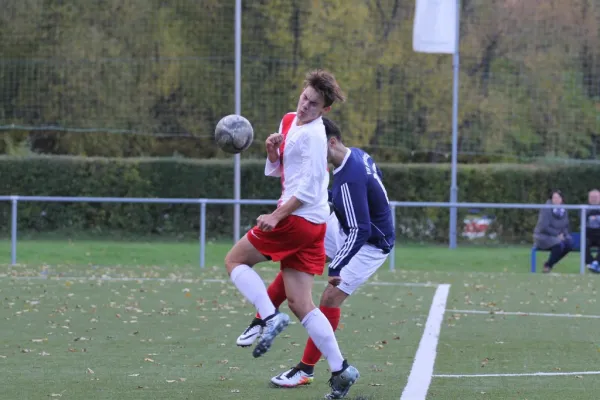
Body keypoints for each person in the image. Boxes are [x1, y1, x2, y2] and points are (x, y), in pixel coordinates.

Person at [224, 70, 359, 399]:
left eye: (314, 105)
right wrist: (273, 153)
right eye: (304, 98)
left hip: (298, 219)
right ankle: (341, 369)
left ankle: (268, 317)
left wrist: (276, 215)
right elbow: (285, 171)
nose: (305, 107)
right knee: (301, 303)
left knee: (235, 260)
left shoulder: (316, 137)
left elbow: (311, 189)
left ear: (325, 111)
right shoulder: (288, 121)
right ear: (301, 92)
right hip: (313, 227)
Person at [236, 117, 395, 393]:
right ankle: (265, 317)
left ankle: (305, 370)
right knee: (298, 261)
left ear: (331, 142)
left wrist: (338, 267)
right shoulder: (353, 156)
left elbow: (361, 229)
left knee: (330, 298)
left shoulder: (350, 177)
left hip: (370, 243)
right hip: (345, 226)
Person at [533, 189, 573, 273]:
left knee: (569, 244)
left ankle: (548, 264)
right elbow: (543, 227)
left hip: (558, 236)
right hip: (543, 236)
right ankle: (548, 267)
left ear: (562, 199)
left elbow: (565, 225)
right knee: (558, 244)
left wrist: (564, 235)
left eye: (558, 197)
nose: (556, 200)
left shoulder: (564, 210)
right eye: (554, 198)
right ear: (551, 199)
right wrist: (557, 234)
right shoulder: (546, 209)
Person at [586, 189, 600, 273]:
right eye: (592, 197)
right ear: (589, 199)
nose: (594, 199)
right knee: (583, 243)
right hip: (588, 234)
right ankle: (592, 263)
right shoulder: (584, 209)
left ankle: (595, 262)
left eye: (596, 197)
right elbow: (583, 220)